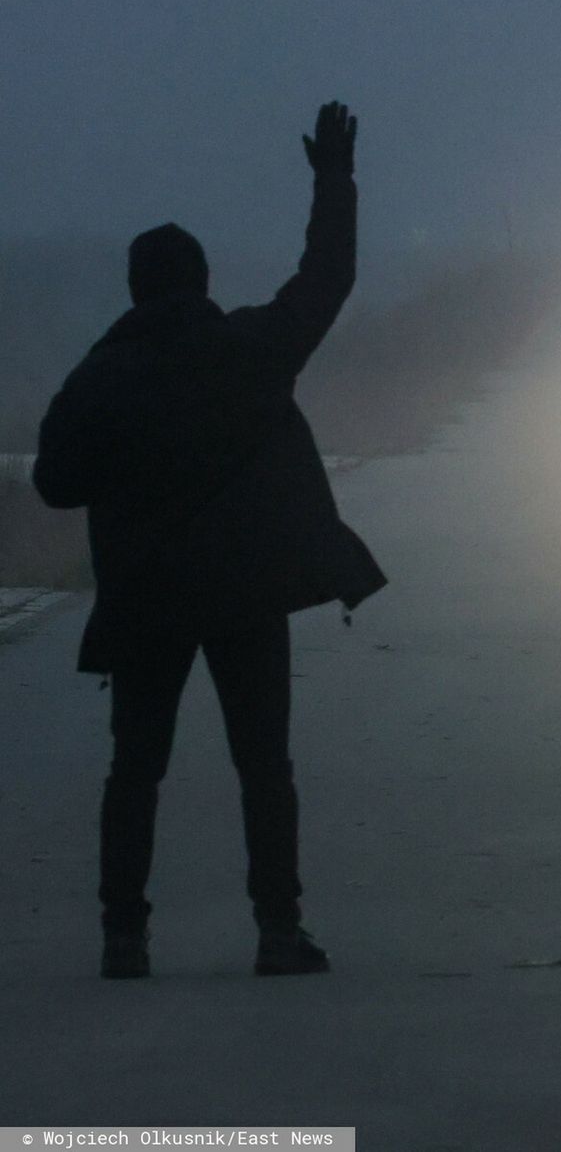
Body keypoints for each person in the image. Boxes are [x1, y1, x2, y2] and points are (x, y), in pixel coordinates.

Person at [33, 102, 386, 980]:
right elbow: (325, 278)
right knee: (264, 764)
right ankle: (278, 931)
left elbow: (53, 485)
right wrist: (333, 177)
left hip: (148, 598)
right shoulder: (250, 348)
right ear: (200, 280)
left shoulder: (100, 374)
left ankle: (124, 939)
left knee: (135, 770)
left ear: (134, 289)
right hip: (247, 592)